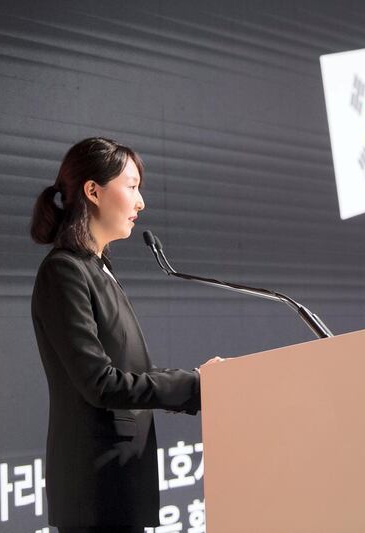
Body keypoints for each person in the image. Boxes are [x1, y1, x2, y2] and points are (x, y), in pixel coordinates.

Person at [29, 137, 222, 533]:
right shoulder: (64, 271)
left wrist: (204, 381)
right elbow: (100, 383)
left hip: (120, 485)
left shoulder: (97, 269)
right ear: (93, 190)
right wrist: (196, 385)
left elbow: (132, 371)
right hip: (96, 493)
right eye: (132, 186)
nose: (140, 203)